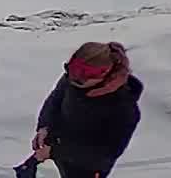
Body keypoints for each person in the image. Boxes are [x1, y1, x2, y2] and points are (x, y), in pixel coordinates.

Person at [29, 41, 142, 178]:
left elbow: (104, 155)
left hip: (88, 167)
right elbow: (54, 101)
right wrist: (45, 127)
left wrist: (55, 151)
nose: (77, 78)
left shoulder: (124, 108)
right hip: (62, 150)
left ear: (106, 73)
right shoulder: (72, 80)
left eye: (86, 73)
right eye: (74, 69)